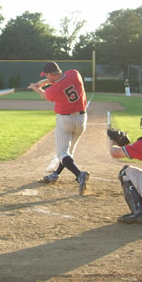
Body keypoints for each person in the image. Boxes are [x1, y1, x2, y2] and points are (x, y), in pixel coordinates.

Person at [29, 61, 90, 195]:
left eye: (47, 75)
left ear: (50, 74)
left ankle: (80, 174)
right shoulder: (74, 74)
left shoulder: (54, 90)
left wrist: (37, 88)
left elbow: (46, 95)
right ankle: (56, 174)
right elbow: (58, 80)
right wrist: (43, 83)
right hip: (81, 119)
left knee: (62, 154)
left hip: (65, 120)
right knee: (68, 153)